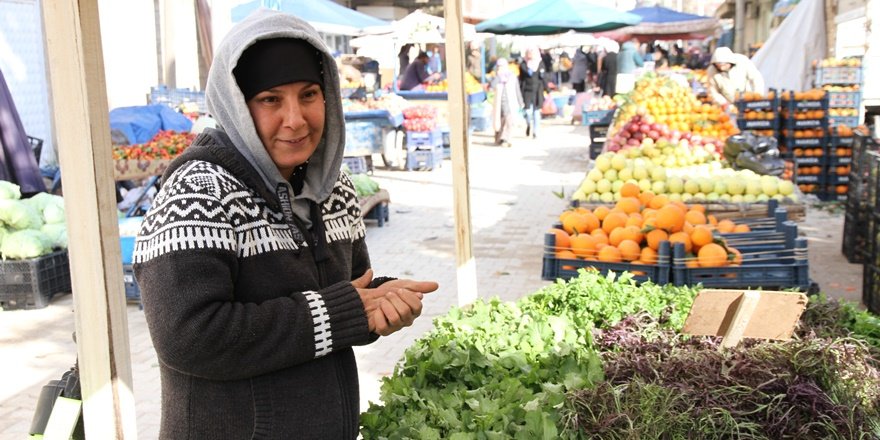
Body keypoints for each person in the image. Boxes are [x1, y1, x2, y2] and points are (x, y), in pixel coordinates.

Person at [132, 9, 439, 439]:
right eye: (271, 99)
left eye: (309, 95)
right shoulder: (197, 191)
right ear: (238, 105)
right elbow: (190, 337)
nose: (295, 119)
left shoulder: (335, 188)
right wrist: (343, 312)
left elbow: (348, 294)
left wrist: (382, 303)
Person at [491, 58, 523, 147]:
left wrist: (520, 102)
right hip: (499, 104)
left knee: (509, 121)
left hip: (510, 103)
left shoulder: (512, 76)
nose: (500, 68)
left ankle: (507, 139)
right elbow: (492, 86)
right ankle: (498, 138)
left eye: (502, 66)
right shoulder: (496, 77)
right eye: (498, 66)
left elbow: (517, 90)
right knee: (500, 121)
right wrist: (498, 76)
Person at [519, 47, 548, 138]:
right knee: (527, 112)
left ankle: (536, 131)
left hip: (537, 90)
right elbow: (521, 79)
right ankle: (528, 124)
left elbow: (543, 77)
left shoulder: (540, 63)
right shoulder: (523, 64)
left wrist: (547, 89)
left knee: (536, 112)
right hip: (527, 91)